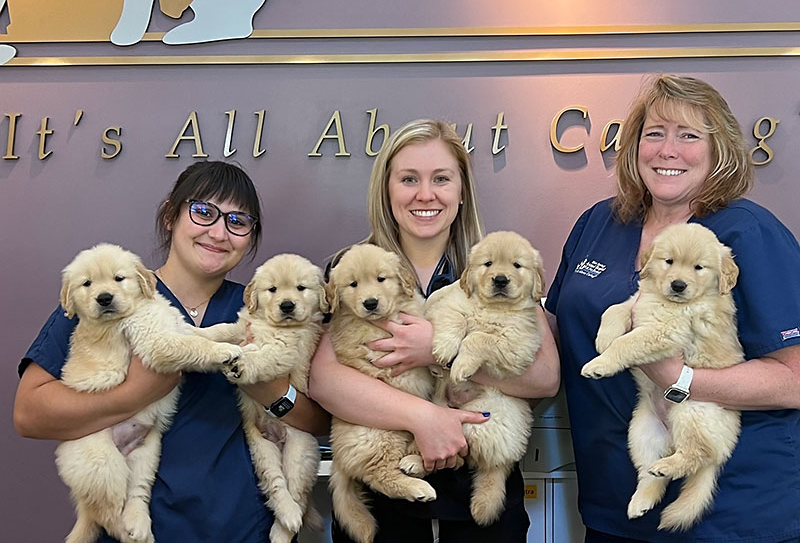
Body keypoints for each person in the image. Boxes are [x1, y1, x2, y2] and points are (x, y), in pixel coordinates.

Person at [13, 160, 330, 542]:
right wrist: (133, 394)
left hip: (244, 528)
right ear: (170, 215)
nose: (219, 232)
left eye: (238, 221)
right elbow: (30, 414)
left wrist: (274, 393)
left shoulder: (259, 307)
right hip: (136, 529)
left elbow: (321, 423)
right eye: (203, 211)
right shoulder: (111, 294)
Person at [545, 74, 800, 542]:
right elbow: (555, 330)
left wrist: (682, 381)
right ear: (635, 145)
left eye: (689, 135)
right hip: (617, 503)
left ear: (717, 149)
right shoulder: (599, 223)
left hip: (732, 515)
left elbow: (795, 380)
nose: (668, 149)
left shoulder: (749, 234)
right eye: (655, 133)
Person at [309, 119, 560, 542]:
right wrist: (425, 418)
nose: (426, 194)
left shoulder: (490, 263)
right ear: (387, 192)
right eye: (409, 179)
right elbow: (325, 379)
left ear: (461, 193)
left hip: (481, 509)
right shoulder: (353, 266)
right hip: (385, 503)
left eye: (441, 179)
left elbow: (546, 376)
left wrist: (436, 351)